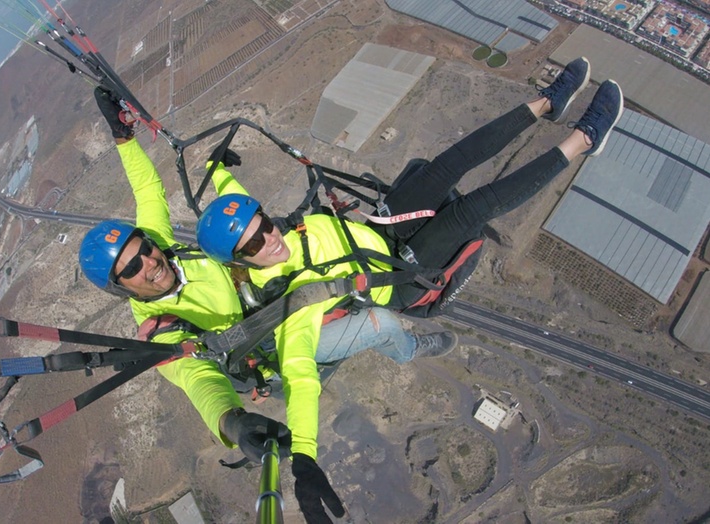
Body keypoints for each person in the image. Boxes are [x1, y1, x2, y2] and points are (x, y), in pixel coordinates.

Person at [79, 87, 454, 523]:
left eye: (142, 249)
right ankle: (410, 351)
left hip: (276, 296)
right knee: (384, 324)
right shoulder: (159, 329)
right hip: (274, 349)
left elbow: (148, 192)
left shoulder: (161, 248)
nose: (149, 262)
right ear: (121, 288)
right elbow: (196, 378)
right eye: (132, 268)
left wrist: (123, 139)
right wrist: (232, 423)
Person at [196, 56, 622, 389]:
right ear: (241, 262)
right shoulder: (289, 306)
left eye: (264, 225)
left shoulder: (278, 232)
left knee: (446, 166)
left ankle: (549, 102)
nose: (268, 239)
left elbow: (239, 208)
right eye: (252, 247)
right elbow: (301, 370)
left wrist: (217, 170)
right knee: (473, 209)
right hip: (395, 281)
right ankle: (585, 139)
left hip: (376, 233)